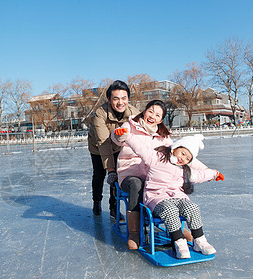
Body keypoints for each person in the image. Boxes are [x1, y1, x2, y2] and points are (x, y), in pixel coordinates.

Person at [113, 131, 224, 259]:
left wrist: (214, 174)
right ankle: (179, 241)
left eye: (187, 158)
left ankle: (199, 240)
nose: (183, 158)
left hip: (177, 196)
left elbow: (199, 175)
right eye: (182, 153)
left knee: (192, 208)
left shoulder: (184, 170)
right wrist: (128, 136)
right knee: (170, 210)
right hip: (157, 198)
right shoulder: (156, 158)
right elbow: (140, 148)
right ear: (175, 148)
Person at [111, 100, 205, 249]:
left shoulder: (164, 136)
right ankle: (135, 231)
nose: (152, 116)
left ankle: (178, 228)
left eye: (157, 115)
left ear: (160, 120)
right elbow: (117, 139)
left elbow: (181, 155)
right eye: (150, 111)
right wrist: (119, 135)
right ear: (144, 111)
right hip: (131, 171)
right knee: (137, 184)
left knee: (173, 184)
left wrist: (207, 171)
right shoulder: (130, 125)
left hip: (153, 174)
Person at [87, 80, 140, 219]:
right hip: (98, 146)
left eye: (124, 98)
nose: (120, 102)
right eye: (116, 98)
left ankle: (113, 208)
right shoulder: (101, 113)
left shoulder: (134, 113)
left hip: (118, 146)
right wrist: (110, 169)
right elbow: (103, 143)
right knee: (100, 174)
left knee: (118, 175)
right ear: (109, 100)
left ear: (128, 98)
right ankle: (97, 201)